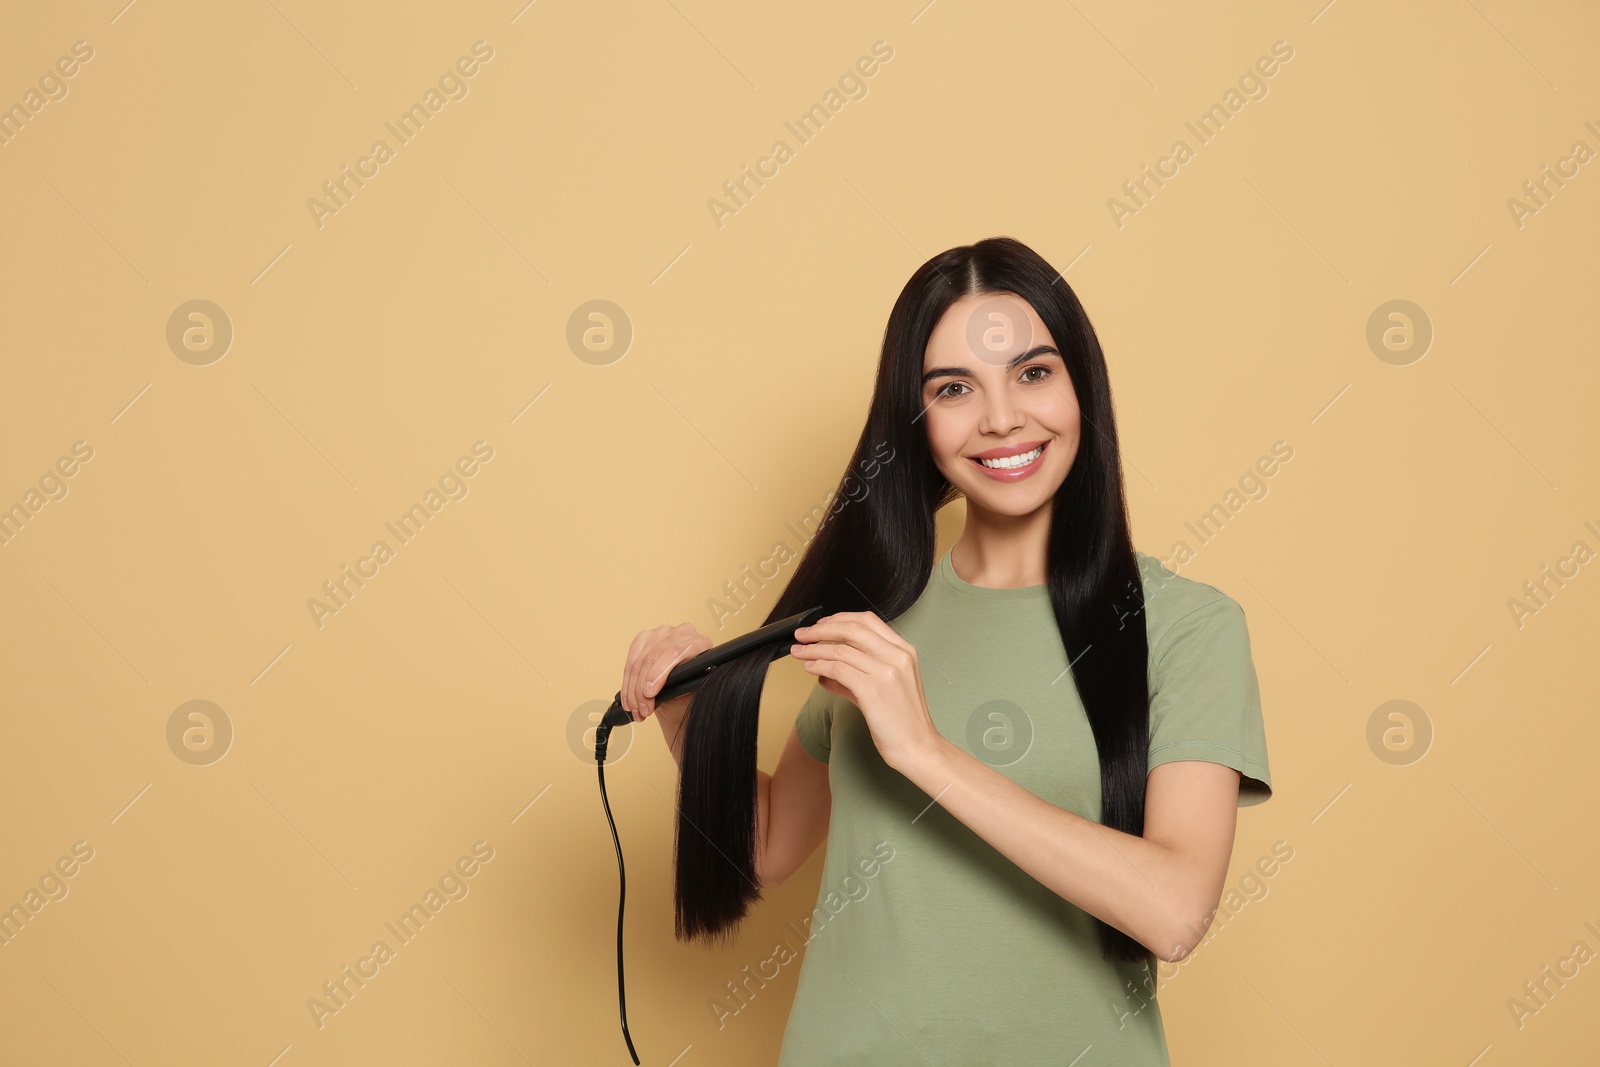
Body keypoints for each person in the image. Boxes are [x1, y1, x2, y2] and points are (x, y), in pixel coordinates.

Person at [618, 236, 1272, 1065]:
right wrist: (685, 711)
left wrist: (925, 751)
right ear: (916, 420)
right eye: (954, 389)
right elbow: (770, 845)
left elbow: (1175, 910)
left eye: (1034, 372)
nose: (1001, 417)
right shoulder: (878, 614)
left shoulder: (1185, 624)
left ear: (1082, 388)